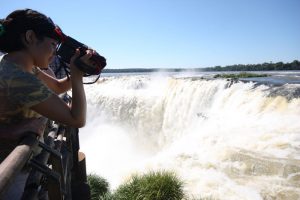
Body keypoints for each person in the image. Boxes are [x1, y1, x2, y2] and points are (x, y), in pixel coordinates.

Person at [0, 8, 99, 199]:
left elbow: (58, 87)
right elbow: (76, 119)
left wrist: (79, 68)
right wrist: (77, 77)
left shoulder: (17, 66)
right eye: (53, 44)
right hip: (12, 176)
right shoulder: (20, 78)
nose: (55, 52)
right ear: (30, 37)